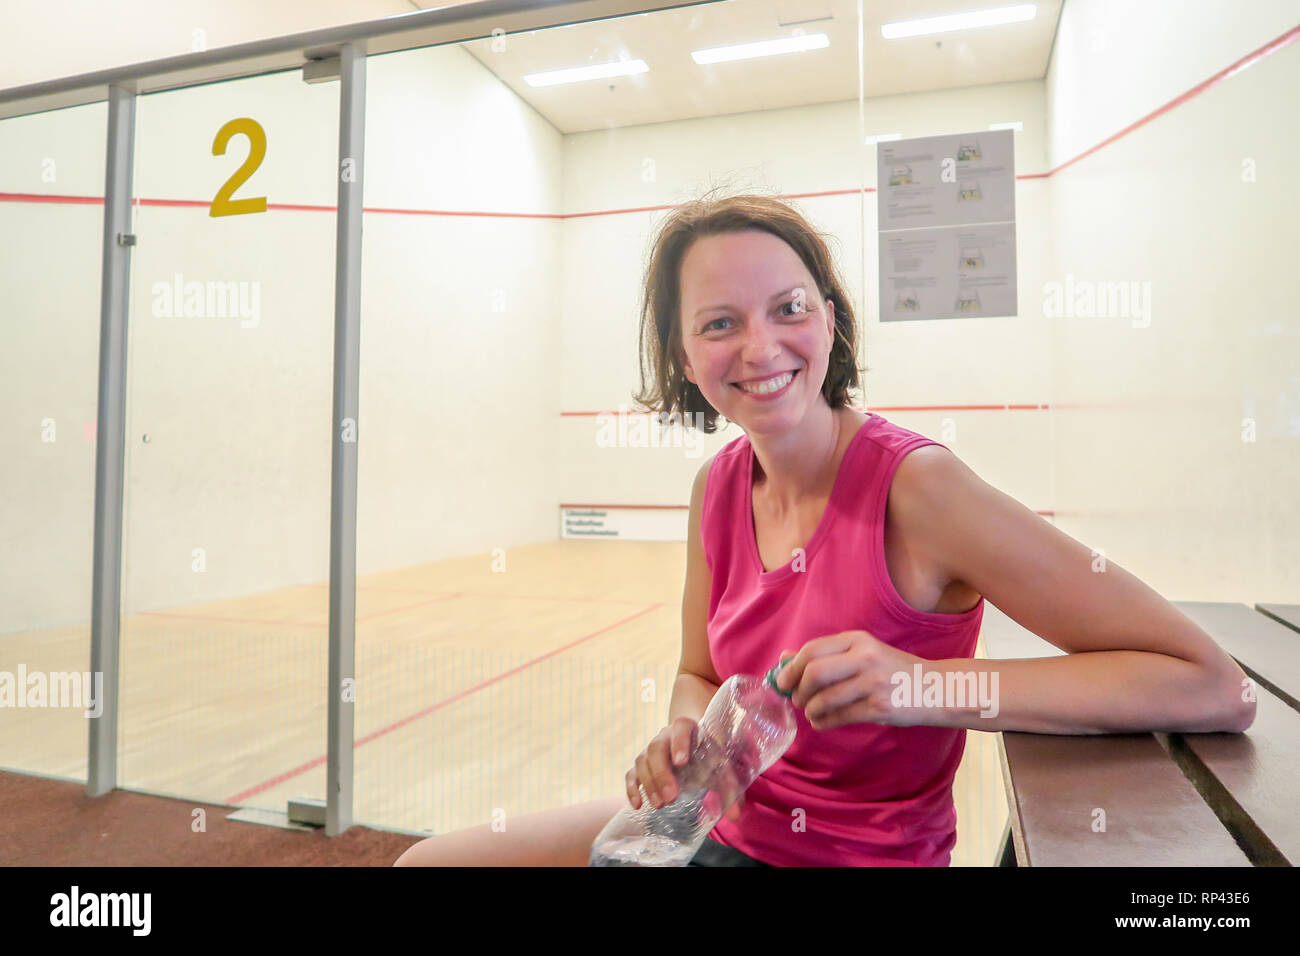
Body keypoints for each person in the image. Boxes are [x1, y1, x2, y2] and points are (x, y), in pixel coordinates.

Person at [394, 191, 1253, 867]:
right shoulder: (717, 487)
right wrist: (684, 737)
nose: (761, 348)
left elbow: (1209, 683)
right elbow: (698, 670)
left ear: (831, 320)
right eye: (719, 324)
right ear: (685, 360)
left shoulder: (921, 489)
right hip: (716, 833)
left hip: (864, 861)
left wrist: (922, 686)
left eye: (789, 309)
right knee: (431, 864)